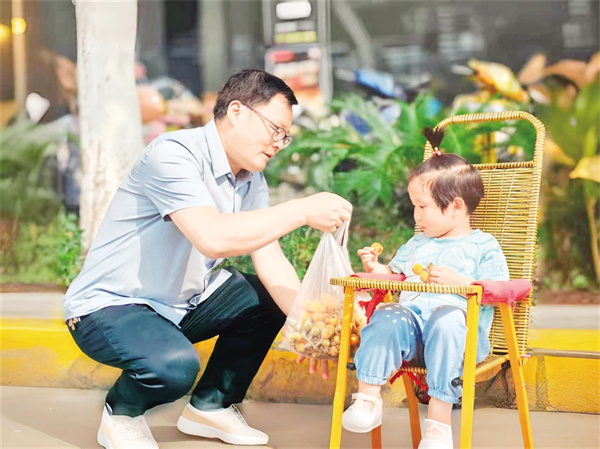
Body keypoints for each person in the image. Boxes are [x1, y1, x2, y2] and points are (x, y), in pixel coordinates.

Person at [64, 69, 352, 449]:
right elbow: (212, 238)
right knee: (174, 366)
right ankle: (122, 412)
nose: (279, 144)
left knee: (267, 298)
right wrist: (301, 210)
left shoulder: (251, 180)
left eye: (285, 136)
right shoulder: (174, 154)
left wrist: (313, 331)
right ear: (237, 111)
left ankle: (211, 406)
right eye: (275, 130)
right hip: (111, 307)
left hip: (180, 306)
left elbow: (270, 259)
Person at [341, 152, 509, 449]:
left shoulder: (483, 245)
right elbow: (394, 275)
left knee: (447, 318)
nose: (416, 216)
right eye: (414, 206)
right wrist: (375, 269)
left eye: (422, 206)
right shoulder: (417, 243)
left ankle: (438, 425)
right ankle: (368, 399)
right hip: (412, 337)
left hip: (457, 341)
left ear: (456, 206)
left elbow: (499, 291)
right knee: (388, 314)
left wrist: (462, 283)